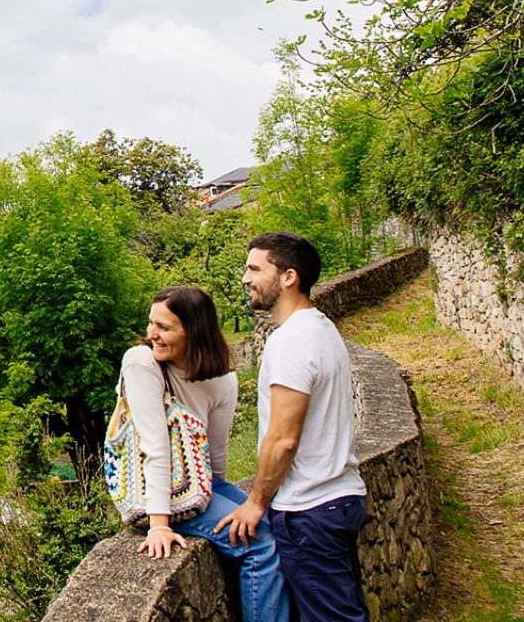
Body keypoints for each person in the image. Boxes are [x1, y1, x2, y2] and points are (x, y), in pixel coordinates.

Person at [216, 231, 369, 622]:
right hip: (337, 499)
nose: (246, 278)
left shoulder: (291, 342)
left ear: (288, 277)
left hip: (310, 511)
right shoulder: (321, 328)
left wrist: (255, 503)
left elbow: (283, 438)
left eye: (254, 268)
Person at [121, 286, 289, 622]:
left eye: (164, 327)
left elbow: (214, 452)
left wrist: (226, 501)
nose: (151, 334)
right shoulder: (142, 362)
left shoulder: (223, 378)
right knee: (261, 546)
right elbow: (154, 446)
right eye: (151, 323)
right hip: (154, 490)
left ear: (194, 332)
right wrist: (159, 525)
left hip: (197, 481)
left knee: (275, 525)